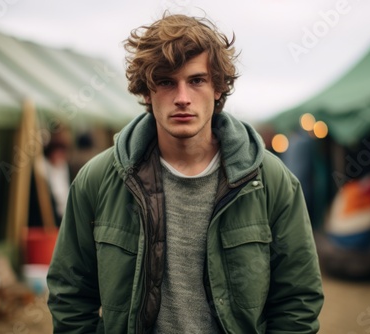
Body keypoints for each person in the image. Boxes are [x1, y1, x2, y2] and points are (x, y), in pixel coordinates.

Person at [47, 13, 324, 333]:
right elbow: (70, 294)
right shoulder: (97, 181)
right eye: (166, 82)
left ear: (218, 88)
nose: (182, 98)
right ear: (146, 92)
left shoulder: (272, 182)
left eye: (196, 80)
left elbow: (297, 300)